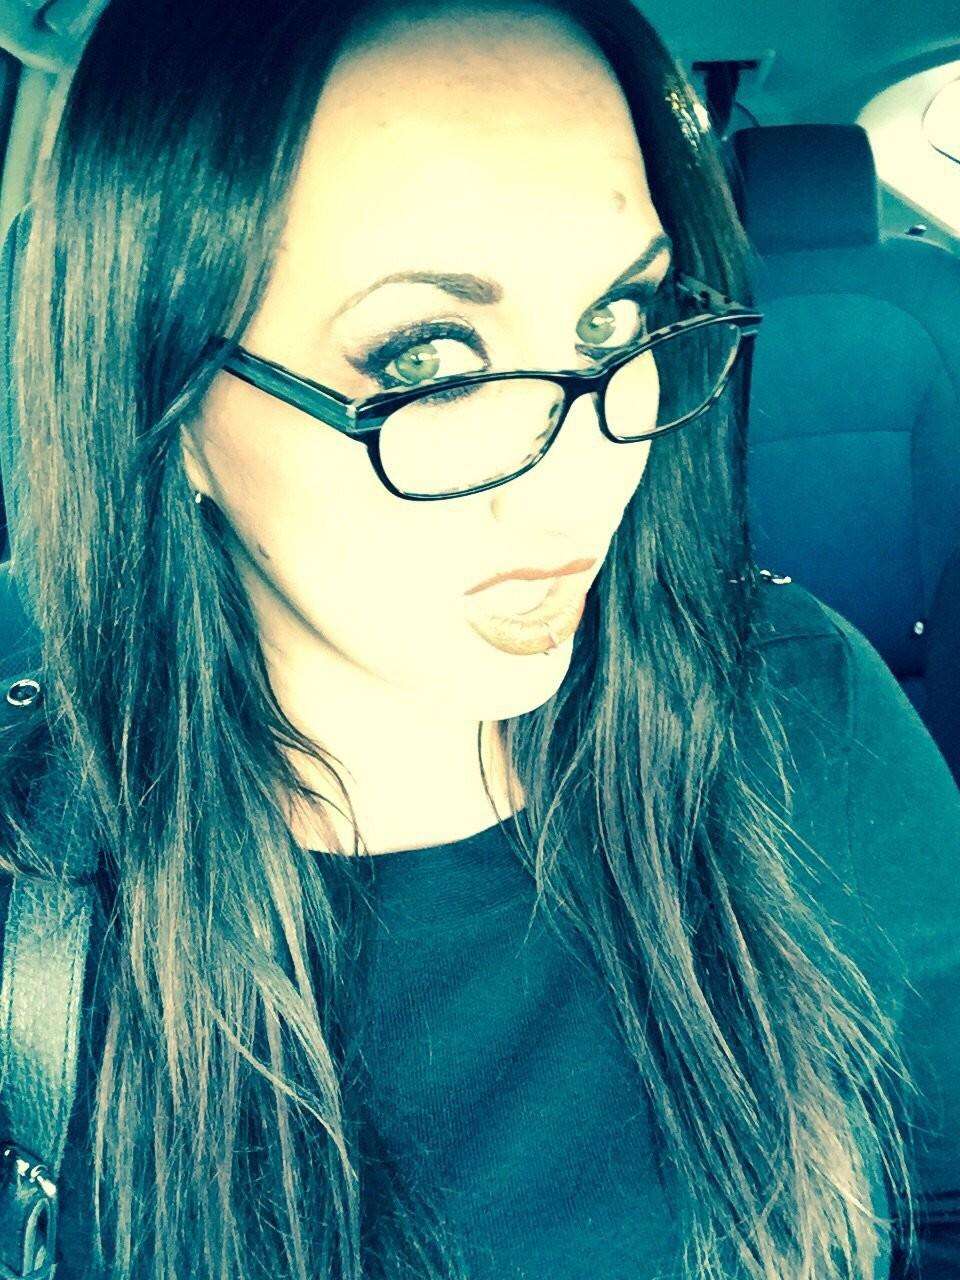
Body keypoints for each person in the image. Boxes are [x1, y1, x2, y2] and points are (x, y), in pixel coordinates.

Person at [0, 0, 957, 1277]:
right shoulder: (33, 902)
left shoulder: (800, 711)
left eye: (614, 324)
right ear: (163, 400)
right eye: (431, 367)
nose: (585, 483)